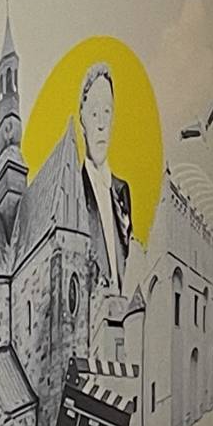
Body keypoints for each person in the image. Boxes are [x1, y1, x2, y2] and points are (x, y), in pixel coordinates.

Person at [76, 63, 131, 296]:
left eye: (107, 112)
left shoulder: (122, 190)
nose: (101, 124)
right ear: (82, 120)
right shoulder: (75, 192)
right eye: (94, 113)